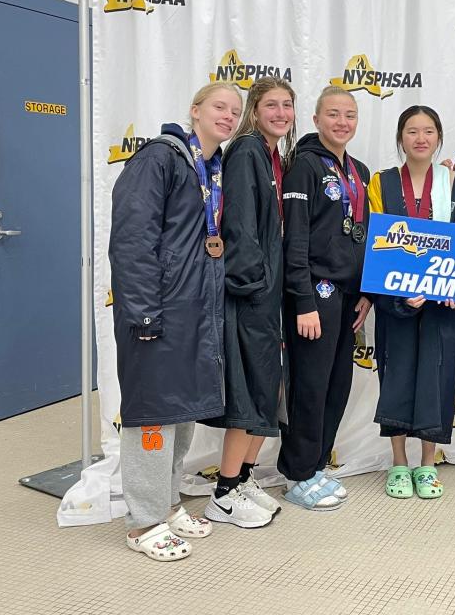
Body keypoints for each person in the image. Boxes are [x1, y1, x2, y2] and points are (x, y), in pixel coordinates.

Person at [109, 82, 241, 560]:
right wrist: (143, 310)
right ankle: (142, 521)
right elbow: (131, 239)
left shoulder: (211, 167)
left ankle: (165, 504)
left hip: (195, 312)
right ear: (195, 111)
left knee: (182, 413)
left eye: (234, 110)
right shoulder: (159, 158)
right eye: (219, 107)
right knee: (153, 415)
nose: (228, 115)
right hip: (157, 313)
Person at [368, 105, 455, 500]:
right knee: (395, 374)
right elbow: (376, 240)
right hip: (396, 300)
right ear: (401, 138)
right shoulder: (381, 183)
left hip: (442, 304)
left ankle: (428, 463)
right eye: (412, 131)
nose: (420, 138)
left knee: (438, 375)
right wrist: (400, 293)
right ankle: (399, 461)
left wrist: (451, 286)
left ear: (438, 137)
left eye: (428, 130)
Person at [201, 77, 296, 528]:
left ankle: (242, 479)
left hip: (267, 293)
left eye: (288, 105)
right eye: (271, 105)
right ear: (255, 112)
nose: (280, 112)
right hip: (250, 294)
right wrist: (254, 286)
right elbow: (238, 226)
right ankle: (223, 492)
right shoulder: (246, 152)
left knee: (265, 390)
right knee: (249, 392)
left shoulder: (275, 157)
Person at [277, 86, 372, 510]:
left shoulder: (360, 170)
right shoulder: (305, 167)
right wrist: (303, 301)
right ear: (316, 120)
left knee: (336, 387)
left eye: (349, 115)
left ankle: (316, 465)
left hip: (349, 297)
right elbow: (294, 239)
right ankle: (297, 473)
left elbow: (367, 238)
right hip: (315, 294)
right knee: (309, 388)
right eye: (333, 114)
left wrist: (367, 292)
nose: (342, 122)